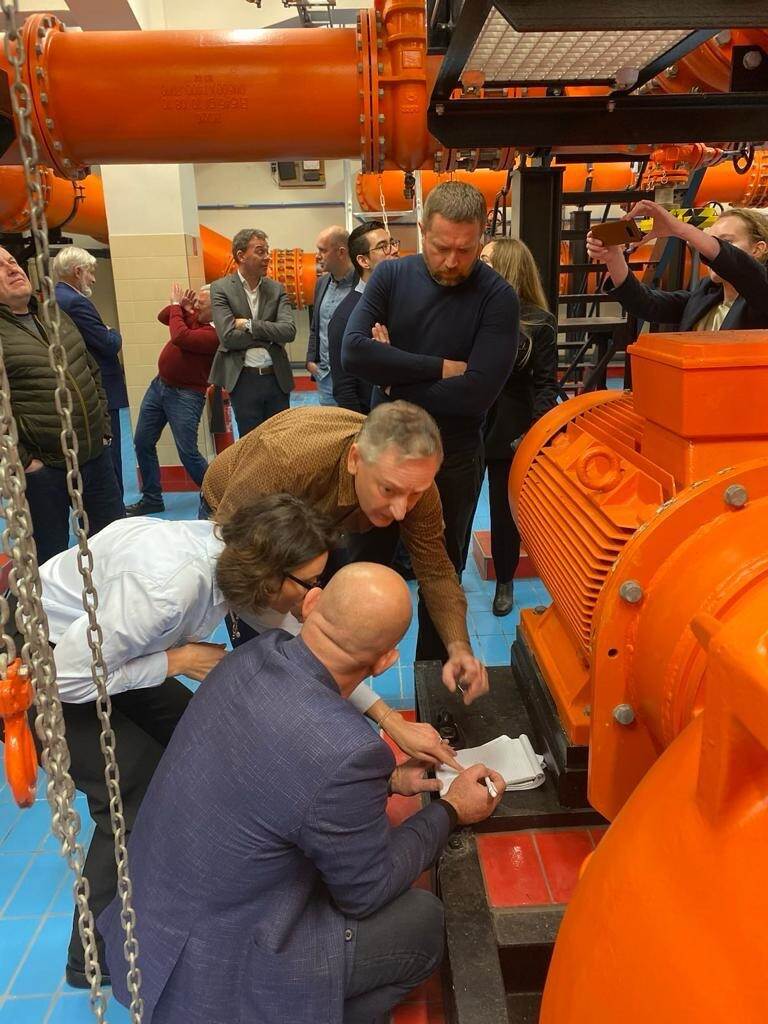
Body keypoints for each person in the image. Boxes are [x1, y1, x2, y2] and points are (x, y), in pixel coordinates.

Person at [33, 493, 448, 989]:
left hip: (118, 649)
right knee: (133, 789)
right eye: (309, 583)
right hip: (47, 661)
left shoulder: (238, 568)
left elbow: (321, 639)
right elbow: (66, 678)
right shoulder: (169, 590)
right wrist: (179, 661)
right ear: (270, 575)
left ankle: (192, 882)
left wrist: (389, 722)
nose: (312, 595)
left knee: (193, 738)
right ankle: (93, 958)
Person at [98, 562, 505, 1024]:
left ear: (311, 604)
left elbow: (269, 772)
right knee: (422, 922)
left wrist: (387, 782)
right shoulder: (347, 748)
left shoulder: (247, 659)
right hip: (217, 972)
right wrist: (450, 810)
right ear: (384, 660)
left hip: (146, 937)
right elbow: (366, 892)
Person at [201, 401, 490, 702]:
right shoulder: (285, 460)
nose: (402, 511)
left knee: (328, 626)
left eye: (415, 494)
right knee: (268, 653)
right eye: (388, 490)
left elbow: (436, 571)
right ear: (355, 459)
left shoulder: (410, 479)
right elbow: (237, 555)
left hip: (320, 521)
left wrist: (459, 647)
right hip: (240, 520)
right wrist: (295, 612)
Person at [342, 181, 520, 661]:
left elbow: (479, 391)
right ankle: (344, 674)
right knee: (362, 565)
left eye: (465, 250)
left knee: (441, 572)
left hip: (455, 456)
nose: (451, 261)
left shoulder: (497, 297)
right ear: (421, 232)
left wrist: (394, 370)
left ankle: (433, 684)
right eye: (441, 247)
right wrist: (438, 367)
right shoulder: (391, 277)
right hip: (384, 452)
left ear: (482, 237)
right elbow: (353, 352)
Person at [0, 246, 124, 564]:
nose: (13, 269)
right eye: (0, 267)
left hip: (94, 456)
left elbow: (90, 370)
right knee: (50, 558)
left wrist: (104, 430)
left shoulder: (55, 314)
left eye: (12, 261)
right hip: (45, 468)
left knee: (116, 544)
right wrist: (27, 462)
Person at [479, 237, 559, 616]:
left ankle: (505, 581)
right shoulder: (469, 312)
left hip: (508, 431)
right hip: (468, 424)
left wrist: (532, 433)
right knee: (454, 509)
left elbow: (545, 384)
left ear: (508, 267)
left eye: (486, 261)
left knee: (503, 512)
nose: (477, 266)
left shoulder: (537, 323)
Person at [586, 201, 768, 331]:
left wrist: (680, 229)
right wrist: (614, 258)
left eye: (727, 241)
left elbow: (739, 266)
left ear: (757, 249)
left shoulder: (762, 295)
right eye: (711, 240)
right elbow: (646, 303)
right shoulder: (705, 295)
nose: (709, 250)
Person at [126, 284, 218, 516]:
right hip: (160, 385)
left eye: (201, 303)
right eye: (196, 301)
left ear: (216, 308)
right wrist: (182, 309)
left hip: (186, 395)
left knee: (187, 452)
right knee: (143, 441)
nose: (196, 305)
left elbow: (180, 337)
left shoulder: (216, 333)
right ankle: (152, 499)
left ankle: (218, 498)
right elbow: (163, 317)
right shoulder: (195, 317)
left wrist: (179, 306)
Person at [53, 245, 129, 494]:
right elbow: (108, 345)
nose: (93, 278)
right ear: (77, 271)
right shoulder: (77, 303)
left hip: (77, 388)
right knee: (110, 454)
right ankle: (115, 508)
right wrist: (114, 333)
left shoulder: (55, 298)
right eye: (90, 272)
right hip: (101, 390)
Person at [209, 228, 295, 437]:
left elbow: (288, 331)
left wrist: (249, 325)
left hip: (276, 379)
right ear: (241, 255)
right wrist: (269, 336)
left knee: (281, 442)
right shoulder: (221, 289)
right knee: (251, 444)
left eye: (267, 251)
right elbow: (228, 337)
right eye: (260, 252)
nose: (267, 257)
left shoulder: (276, 289)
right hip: (243, 381)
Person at [328, 220, 399, 413]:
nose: (393, 250)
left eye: (392, 243)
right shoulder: (344, 316)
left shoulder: (403, 299)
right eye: (383, 247)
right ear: (363, 261)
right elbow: (345, 389)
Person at [306, 225, 357, 405]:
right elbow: (316, 326)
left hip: (354, 380)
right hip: (325, 377)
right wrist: (311, 361)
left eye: (322, 250)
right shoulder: (321, 284)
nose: (317, 255)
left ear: (341, 252)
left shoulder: (363, 284)